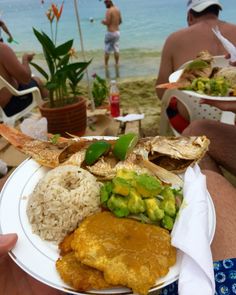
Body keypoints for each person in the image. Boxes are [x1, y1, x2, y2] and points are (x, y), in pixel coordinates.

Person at [156, 0, 236, 133]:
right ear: (216, 11)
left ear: (190, 17)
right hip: (232, 119)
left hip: (189, 121)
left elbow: (161, 92)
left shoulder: (174, 39)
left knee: (170, 106)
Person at [0, 42, 48, 116]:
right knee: (37, 81)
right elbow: (25, 79)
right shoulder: (2, 49)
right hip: (7, 108)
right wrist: (25, 60)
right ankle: (50, 113)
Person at [101, 0, 122, 67]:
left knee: (107, 49)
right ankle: (117, 64)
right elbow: (120, 21)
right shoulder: (118, 10)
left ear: (109, 2)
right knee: (116, 48)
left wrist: (103, 22)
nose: (105, 5)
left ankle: (106, 65)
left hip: (110, 33)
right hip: (117, 32)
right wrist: (114, 23)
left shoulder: (109, 11)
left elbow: (108, 23)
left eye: (105, 3)